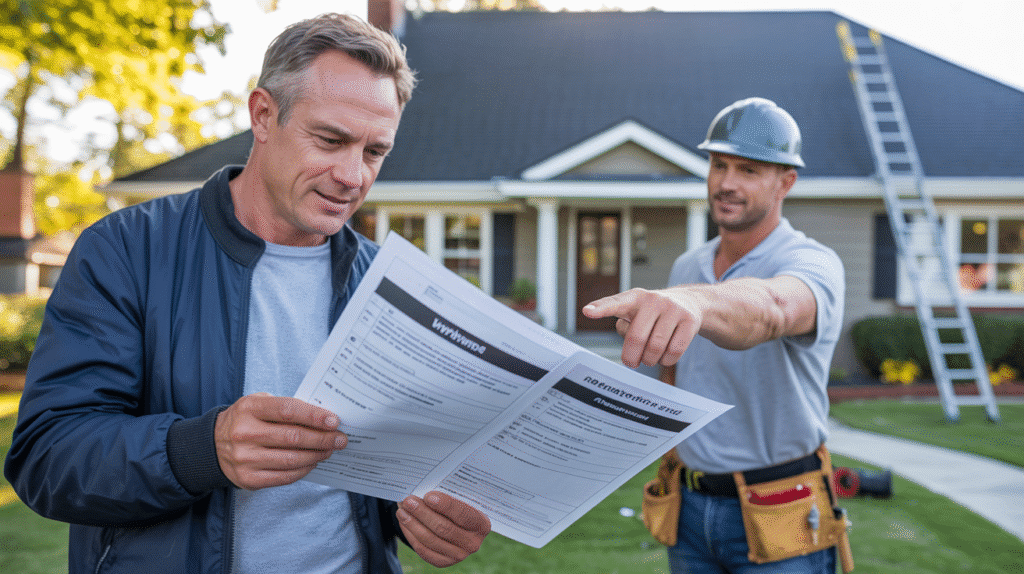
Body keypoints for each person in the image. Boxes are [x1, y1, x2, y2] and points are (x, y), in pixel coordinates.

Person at [4, 13, 490, 574]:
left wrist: (430, 517)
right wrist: (202, 449)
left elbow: (389, 470)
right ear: (263, 114)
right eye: (330, 140)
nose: (353, 176)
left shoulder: (388, 284)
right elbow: (47, 456)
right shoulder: (127, 250)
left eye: (375, 152)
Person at [583, 97, 846, 573]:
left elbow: (774, 309)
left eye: (748, 170)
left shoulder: (812, 263)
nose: (726, 183)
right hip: (688, 506)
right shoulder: (690, 266)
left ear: (786, 182)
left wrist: (696, 301)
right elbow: (664, 376)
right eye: (718, 164)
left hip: (779, 507)